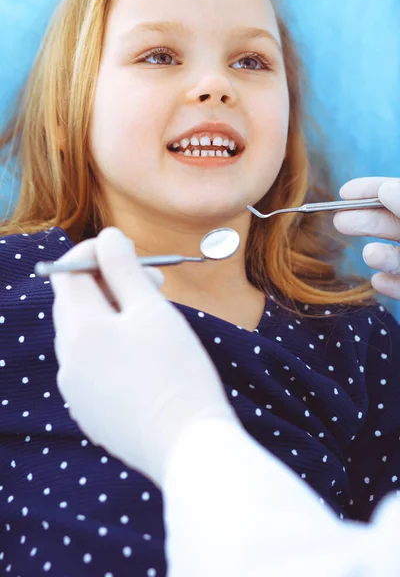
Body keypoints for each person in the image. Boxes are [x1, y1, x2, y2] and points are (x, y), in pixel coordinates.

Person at [0, 0, 399, 574]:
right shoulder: (15, 283)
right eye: (158, 56)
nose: (216, 85)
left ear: (287, 131)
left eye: (250, 61)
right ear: (66, 114)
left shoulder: (354, 338)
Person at [49, 176, 400, 577]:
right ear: (63, 123)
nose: (211, 106)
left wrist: (182, 430)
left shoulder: (355, 332)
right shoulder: (18, 279)